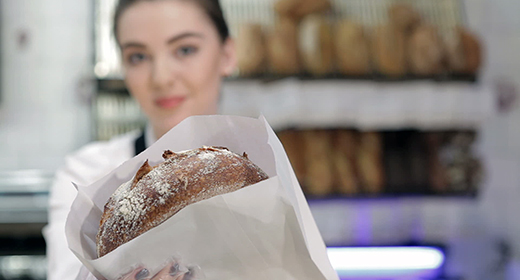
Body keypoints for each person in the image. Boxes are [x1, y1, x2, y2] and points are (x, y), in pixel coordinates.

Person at [43, 0, 236, 279]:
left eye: (185, 50)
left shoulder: (268, 169)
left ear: (227, 54)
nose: (161, 78)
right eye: (138, 57)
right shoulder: (88, 177)